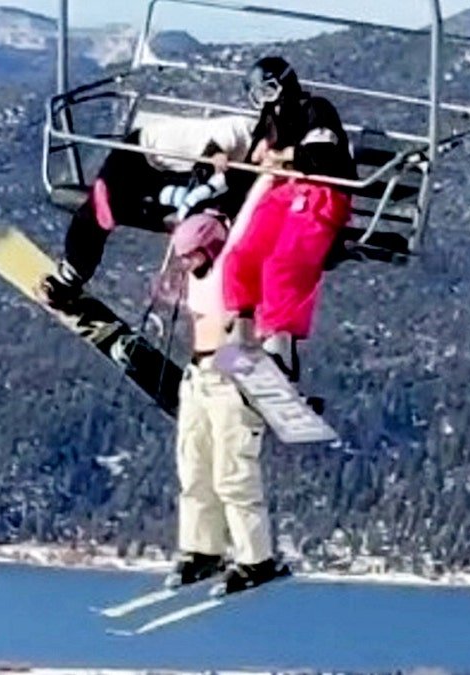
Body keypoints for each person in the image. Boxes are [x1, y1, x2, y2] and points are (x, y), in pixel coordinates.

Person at [37, 55, 311, 311]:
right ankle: (68, 280)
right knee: (101, 211)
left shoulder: (256, 153)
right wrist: (213, 173)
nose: (271, 158)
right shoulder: (237, 132)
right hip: (141, 154)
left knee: (206, 219)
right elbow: (214, 152)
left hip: (173, 168)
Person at [159, 206, 293, 597]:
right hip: (199, 372)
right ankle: (203, 549)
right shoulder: (198, 275)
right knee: (194, 467)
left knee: (232, 472)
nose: (186, 264)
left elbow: (251, 213)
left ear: (212, 246)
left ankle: (257, 559)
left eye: (192, 256)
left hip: (232, 370)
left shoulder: (236, 265)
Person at [222, 94, 357, 381]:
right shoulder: (274, 118)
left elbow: (322, 156)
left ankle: (280, 344)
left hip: (322, 194)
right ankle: (242, 330)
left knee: (282, 263)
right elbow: (258, 157)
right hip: (289, 191)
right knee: (241, 255)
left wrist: (284, 156)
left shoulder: (315, 110)